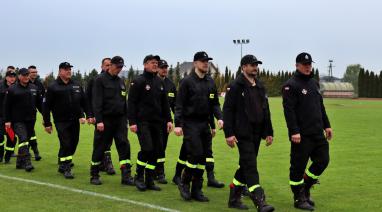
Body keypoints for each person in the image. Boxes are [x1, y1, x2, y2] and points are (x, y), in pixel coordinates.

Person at [223, 55, 275, 211]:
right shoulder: (235, 86)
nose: (255, 67)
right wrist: (229, 134)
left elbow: (266, 110)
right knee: (251, 165)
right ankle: (260, 201)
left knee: (245, 165)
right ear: (243, 67)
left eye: (256, 65)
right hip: (242, 133)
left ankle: (234, 198)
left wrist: (269, 132)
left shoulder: (260, 86)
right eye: (252, 65)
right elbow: (228, 110)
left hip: (257, 133)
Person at [282, 52, 333, 211]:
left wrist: (327, 125)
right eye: (304, 64)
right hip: (301, 135)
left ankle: (305, 187)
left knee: (323, 160)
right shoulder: (290, 85)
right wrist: (294, 131)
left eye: (309, 64)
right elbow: (289, 111)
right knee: (297, 167)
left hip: (317, 133)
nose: (308, 67)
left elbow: (320, 107)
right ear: (297, 65)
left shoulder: (314, 83)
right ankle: (299, 198)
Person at [174, 51, 223, 202]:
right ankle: (184, 182)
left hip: (204, 123)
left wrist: (219, 118)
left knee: (203, 158)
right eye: (202, 61)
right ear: (195, 63)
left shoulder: (210, 82)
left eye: (207, 61)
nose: (206, 63)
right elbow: (179, 104)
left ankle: (197, 190)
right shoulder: (187, 82)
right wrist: (178, 124)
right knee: (195, 154)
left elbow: (214, 103)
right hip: (190, 123)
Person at [128, 55, 173, 191]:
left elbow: (164, 104)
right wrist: (132, 122)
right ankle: (138, 176)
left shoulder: (159, 82)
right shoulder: (138, 81)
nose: (155, 65)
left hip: (158, 123)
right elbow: (131, 103)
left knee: (157, 151)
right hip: (143, 122)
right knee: (147, 149)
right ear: (145, 65)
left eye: (156, 63)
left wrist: (169, 120)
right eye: (152, 62)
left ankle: (149, 180)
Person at [90, 56, 134, 186]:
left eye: (121, 67)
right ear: (110, 66)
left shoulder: (120, 81)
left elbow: (123, 101)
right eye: (117, 67)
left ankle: (126, 175)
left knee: (124, 146)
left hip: (120, 120)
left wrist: (127, 119)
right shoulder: (100, 80)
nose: (119, 69)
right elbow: (96, 101)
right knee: (100, 147)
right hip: (105, 120)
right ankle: (94, 175)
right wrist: (99, 120)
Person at [43, 62, 90, 179]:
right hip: (60, 121)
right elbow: (46, 106)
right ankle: (66, 167)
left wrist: (88, 115)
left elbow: (84, 102)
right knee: (66, 143)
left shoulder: (76, 85)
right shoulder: (53, 87)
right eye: (66, 69)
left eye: (70, 69)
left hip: (74, 120)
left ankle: (62, 162)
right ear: (60, 72)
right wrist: (47, 123)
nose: (69, 71)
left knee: (73, 143)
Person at [4, 68, 42, 171]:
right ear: (19, 76)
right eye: (24, 75)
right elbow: (7, 106)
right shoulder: (12, 89)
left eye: (27, 75)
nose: (26, 77)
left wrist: (45, 118)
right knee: (23, 139)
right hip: (17, 121)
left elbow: (40, 105)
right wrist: (7, 121)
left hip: (31, 120)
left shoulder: (34, 88)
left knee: (25, 141)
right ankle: (27, 162)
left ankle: (19, 163)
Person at [86, 58, 116, 175]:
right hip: (98, 116)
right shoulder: (95, 80)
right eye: (106, 65)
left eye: (110, 65)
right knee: (101, 140)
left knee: (106, 140)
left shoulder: (115, 80)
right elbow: (88, 99)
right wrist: (90, 115)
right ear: (102, 66)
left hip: (112, 116)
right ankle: (104, 163)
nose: (108, 67)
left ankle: (103, 163)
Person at [155, 59, 176, 184]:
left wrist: (177, 121)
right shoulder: (153, 82)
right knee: (153, 147)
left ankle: (160, 172)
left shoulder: (171, 85)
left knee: (162, 147)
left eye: (166, 67)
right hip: (152, 121)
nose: (164, 69)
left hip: (165, 121)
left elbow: (175, 105)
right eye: (162, 67)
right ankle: (151, 171)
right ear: (157, 68)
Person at [0, 67, 18, 163]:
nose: (12, 78)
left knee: (11, 138)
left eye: (13, 76)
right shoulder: (0, 87)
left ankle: (7, 157)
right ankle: (0, 155)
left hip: (11, 119)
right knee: (0, 137)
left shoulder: (16, 88)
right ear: (6, 77)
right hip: (1, 118)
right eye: (10, 76)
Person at [28, 65, 45, 161]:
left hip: (32, 113)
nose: (34, 74)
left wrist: (44, 115)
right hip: (19, 114)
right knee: (24, 135)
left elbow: (41, 100)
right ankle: (34, 152)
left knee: (30, 133)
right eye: (32, 72)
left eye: (35, 72)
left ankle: (35, 152)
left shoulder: (39, 84)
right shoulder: (22, 83)